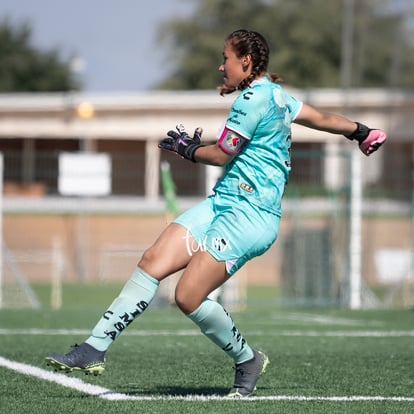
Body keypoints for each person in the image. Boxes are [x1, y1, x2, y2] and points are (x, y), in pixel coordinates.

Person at [45, 29, 387, 398]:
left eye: (225, 58)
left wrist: (187, 148)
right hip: (222, 203)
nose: (220, 65)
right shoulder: (276, 95)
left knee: (188, 296)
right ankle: (94, 348)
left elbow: (223, 153)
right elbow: (320, 118)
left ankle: (247, 359)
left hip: (250, 217)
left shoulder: (252, 100)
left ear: (246, 61)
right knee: (153, 260)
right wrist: (361, 131)